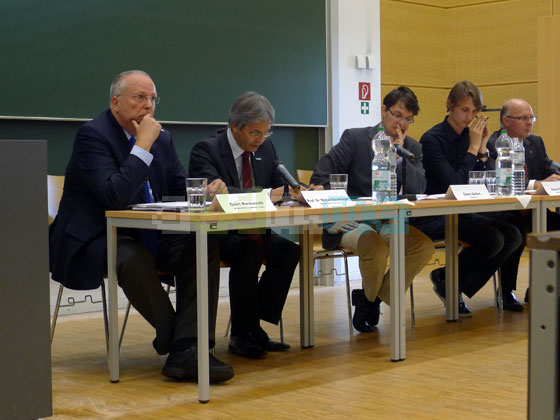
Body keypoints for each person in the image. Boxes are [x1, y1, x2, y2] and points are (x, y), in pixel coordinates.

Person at [49, 70, 234, 383]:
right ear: (116, 102)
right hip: (96, 235)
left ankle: (186, 349)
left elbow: (177, 188)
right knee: (130, 258)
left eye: (152, 99)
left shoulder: (163, 137)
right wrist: (143, 145)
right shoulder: (92, 136)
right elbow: (113, 196)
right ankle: (181, 342)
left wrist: (206, 193)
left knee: (200, 246)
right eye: (139, 98)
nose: (148, 106)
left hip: (147, 231)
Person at [309, 86, 434, 332]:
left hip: (389, 220)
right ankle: (370, 301)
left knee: (422, 247)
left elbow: (418, 188)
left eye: (409, 119)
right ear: (384, 111)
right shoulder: (356, 138)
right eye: (398, 115)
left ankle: (369, 300)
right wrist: (331, 207)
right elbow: (321, 175)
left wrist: (399, 158)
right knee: (374, 246)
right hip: (353, 220)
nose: (403, 124)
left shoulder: (412, 148)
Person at [189, 91, 300, 359]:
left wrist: (297, 192)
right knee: (247, 250)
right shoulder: (206, 150)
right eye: (255, 133)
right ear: (235, 126)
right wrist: (265, 195)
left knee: (289, 251)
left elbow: (278, 186)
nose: (260, 140)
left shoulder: (265, 148)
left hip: (255, 228)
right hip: (219, 232)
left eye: (265, 133)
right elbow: (215, 196)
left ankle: (252, 325)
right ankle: (242, 333)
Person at [413, 80, 523, 315]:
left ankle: (450, 281)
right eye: (464, 110)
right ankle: (451, 283)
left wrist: (482, 148)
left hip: (466, 212)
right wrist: (473, 149)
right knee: (493, 238)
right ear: (449, 105)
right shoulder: (432, 139)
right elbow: (454, 183)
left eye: (474, 111)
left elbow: (490, 180)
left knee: (513, 234)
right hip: (435, 214)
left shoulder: (471, 136)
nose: (469, 116)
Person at [487, 98, 560, 304]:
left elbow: (548, 168)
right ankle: (507, 291)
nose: (530, 123)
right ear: (506, 121)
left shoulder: (535, 142)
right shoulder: (493, 144)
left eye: (531, 118)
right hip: (504, 211)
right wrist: (536, 184)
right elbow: (498, 178)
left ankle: (541, 286)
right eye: (524, 118)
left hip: (533, 210)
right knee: (516, 229)